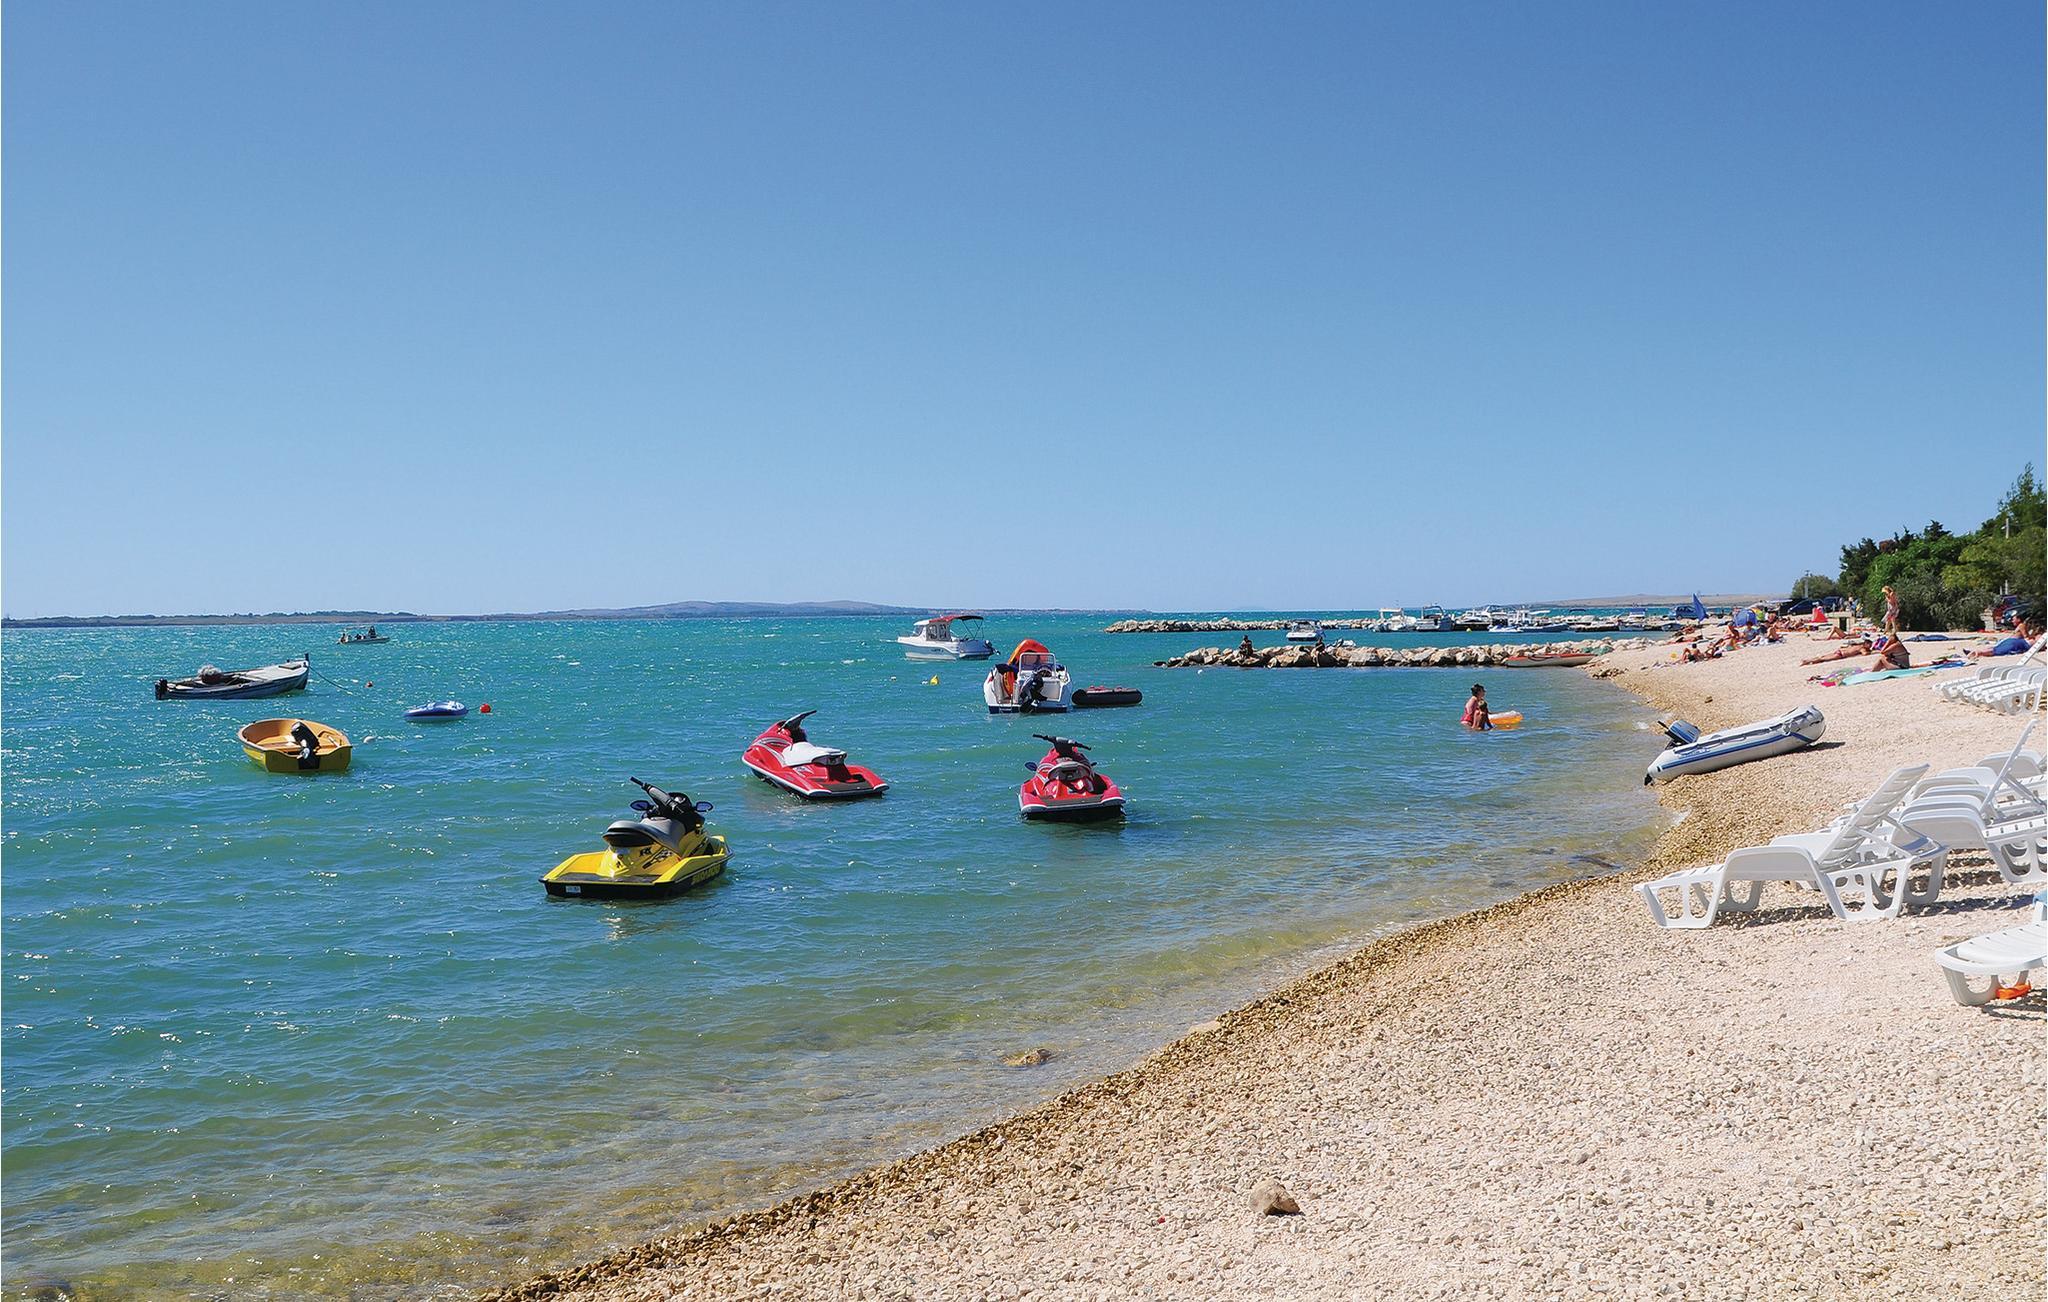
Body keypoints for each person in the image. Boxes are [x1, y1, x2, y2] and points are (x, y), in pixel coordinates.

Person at [1970, 618, 2037, 659]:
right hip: (2014, 642)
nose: (2012, 621)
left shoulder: (2021, 625)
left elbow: (2025, 636)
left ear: (2019, 619)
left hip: (2013, 642)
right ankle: (1978, 652)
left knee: (1996, 649)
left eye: (2013, 619)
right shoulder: (2021, 627)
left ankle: (1978, 652)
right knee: (1996, 649)